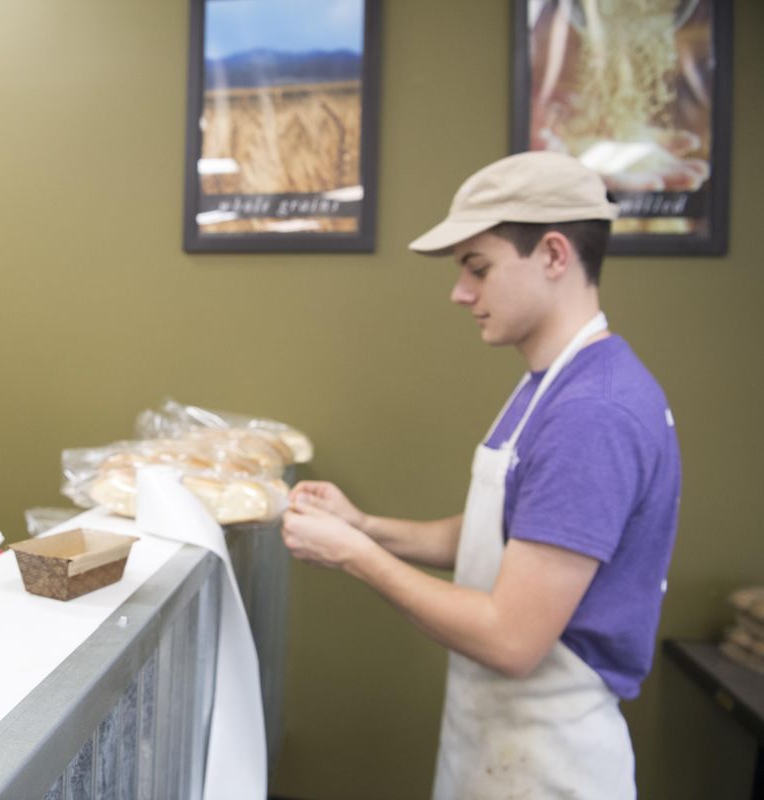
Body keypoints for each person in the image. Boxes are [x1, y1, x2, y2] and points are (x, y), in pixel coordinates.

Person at [282, 151, 681, 798]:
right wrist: (367, 525)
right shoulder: (549, 385)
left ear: (554, 255)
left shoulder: (593, 411)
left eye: (478, 268)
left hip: (550, 764)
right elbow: (508, 535)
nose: (460, 292)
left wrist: (356, 556)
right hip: (500, 750)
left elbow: (512, 637)